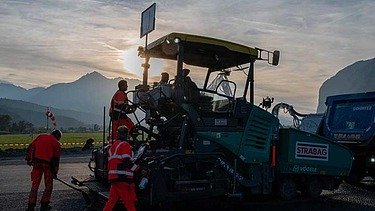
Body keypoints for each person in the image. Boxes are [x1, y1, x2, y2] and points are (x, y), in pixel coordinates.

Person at [103, 126, 140, 211]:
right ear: (126, 134)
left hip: (113, 178)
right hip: (122, 178)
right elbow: (126, 162)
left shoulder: (113, 146)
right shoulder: (125, 145)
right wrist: (138, 169)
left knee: (111, 201)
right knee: (129, 202)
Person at [25, 130, 62, 211]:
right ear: (58, 136)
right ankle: (44, 204)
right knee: (48, 185)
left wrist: (29, 159)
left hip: (37, 163)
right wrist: (55, 172)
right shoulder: (56, 143)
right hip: (47, 165)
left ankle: (31, 206)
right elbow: (56, 160)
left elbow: (31, 147)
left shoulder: (40, 136)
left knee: (35, 185)